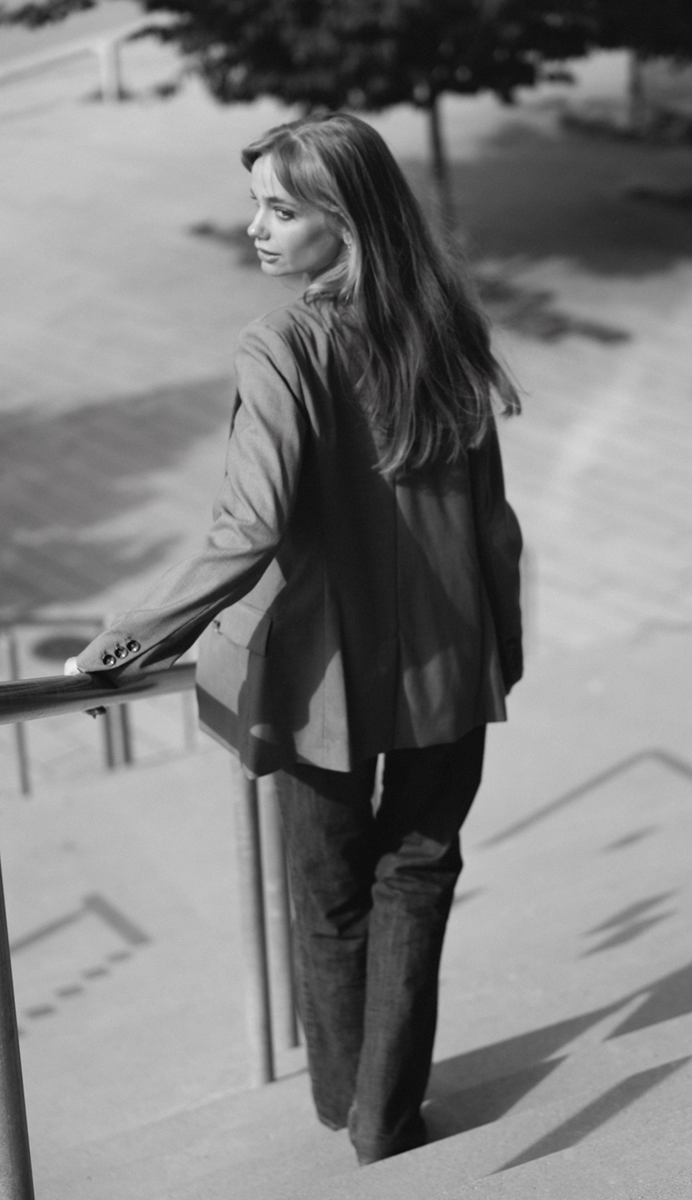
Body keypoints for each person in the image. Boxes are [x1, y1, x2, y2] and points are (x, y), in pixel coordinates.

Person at [68, 112, 523, 1165]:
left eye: (279, 210)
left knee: (327, 892)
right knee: (416, 871)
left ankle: (344, 1107)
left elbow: (252, 525)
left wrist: (122, 645)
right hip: (451, 663)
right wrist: (498, 649)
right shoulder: (443, 323)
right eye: (256, 205)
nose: (254, 231)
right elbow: (492, 520)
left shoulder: (284, 341)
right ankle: (382, 1118)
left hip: (324, 675)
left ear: (347, 221)